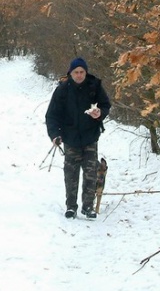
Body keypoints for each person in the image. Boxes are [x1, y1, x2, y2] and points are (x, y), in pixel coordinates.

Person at [45, 57, 111, 219]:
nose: (79, 75)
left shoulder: (94, 86)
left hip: (90, 136)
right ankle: (71, 207)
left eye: (82, 72)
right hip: (70, 138)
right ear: (71, 73)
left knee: (90, 173)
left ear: (86, 72)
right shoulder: (62, 90)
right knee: (71, 174)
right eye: (76, 72)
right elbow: (52, 116)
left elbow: (105, 104)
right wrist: (55, 135)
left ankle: (88, 207)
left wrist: (100, 113)